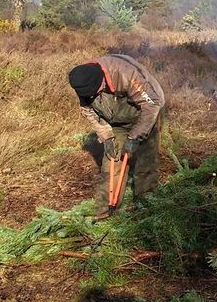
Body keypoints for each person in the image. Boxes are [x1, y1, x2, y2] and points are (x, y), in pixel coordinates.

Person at [67, 54, 166, 219]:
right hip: (117, 121)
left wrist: (135, 137)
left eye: (94, 93)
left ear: (101, 81)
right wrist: (106, 137)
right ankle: (105, 212)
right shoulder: (83, 82)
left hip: (145, 115)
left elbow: (152, 103)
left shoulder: (126, 74)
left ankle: (146, 206)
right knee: (111, 163)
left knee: (145, 162)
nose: (90, 97)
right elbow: (90, 112)